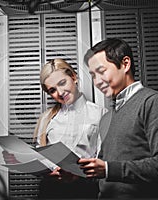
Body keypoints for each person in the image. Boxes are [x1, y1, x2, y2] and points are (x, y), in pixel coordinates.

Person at [78, 38, 158, 199]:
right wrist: (75, 176)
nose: (97, 82)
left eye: (101, 71)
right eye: (93, 75)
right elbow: (103, 175)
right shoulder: (106, 118)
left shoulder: (154, 102)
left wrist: (108, 169)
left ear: (125, 64)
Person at [34, 58, 107, 199]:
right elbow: (41, 152)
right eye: (52, 90)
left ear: (74, 77)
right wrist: (50, 171)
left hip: (84, 190)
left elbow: (103, 157)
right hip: (51, 191)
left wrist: (78, 173)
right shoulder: (46, 119)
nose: (60, 93)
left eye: (62, 83)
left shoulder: (100, 114)